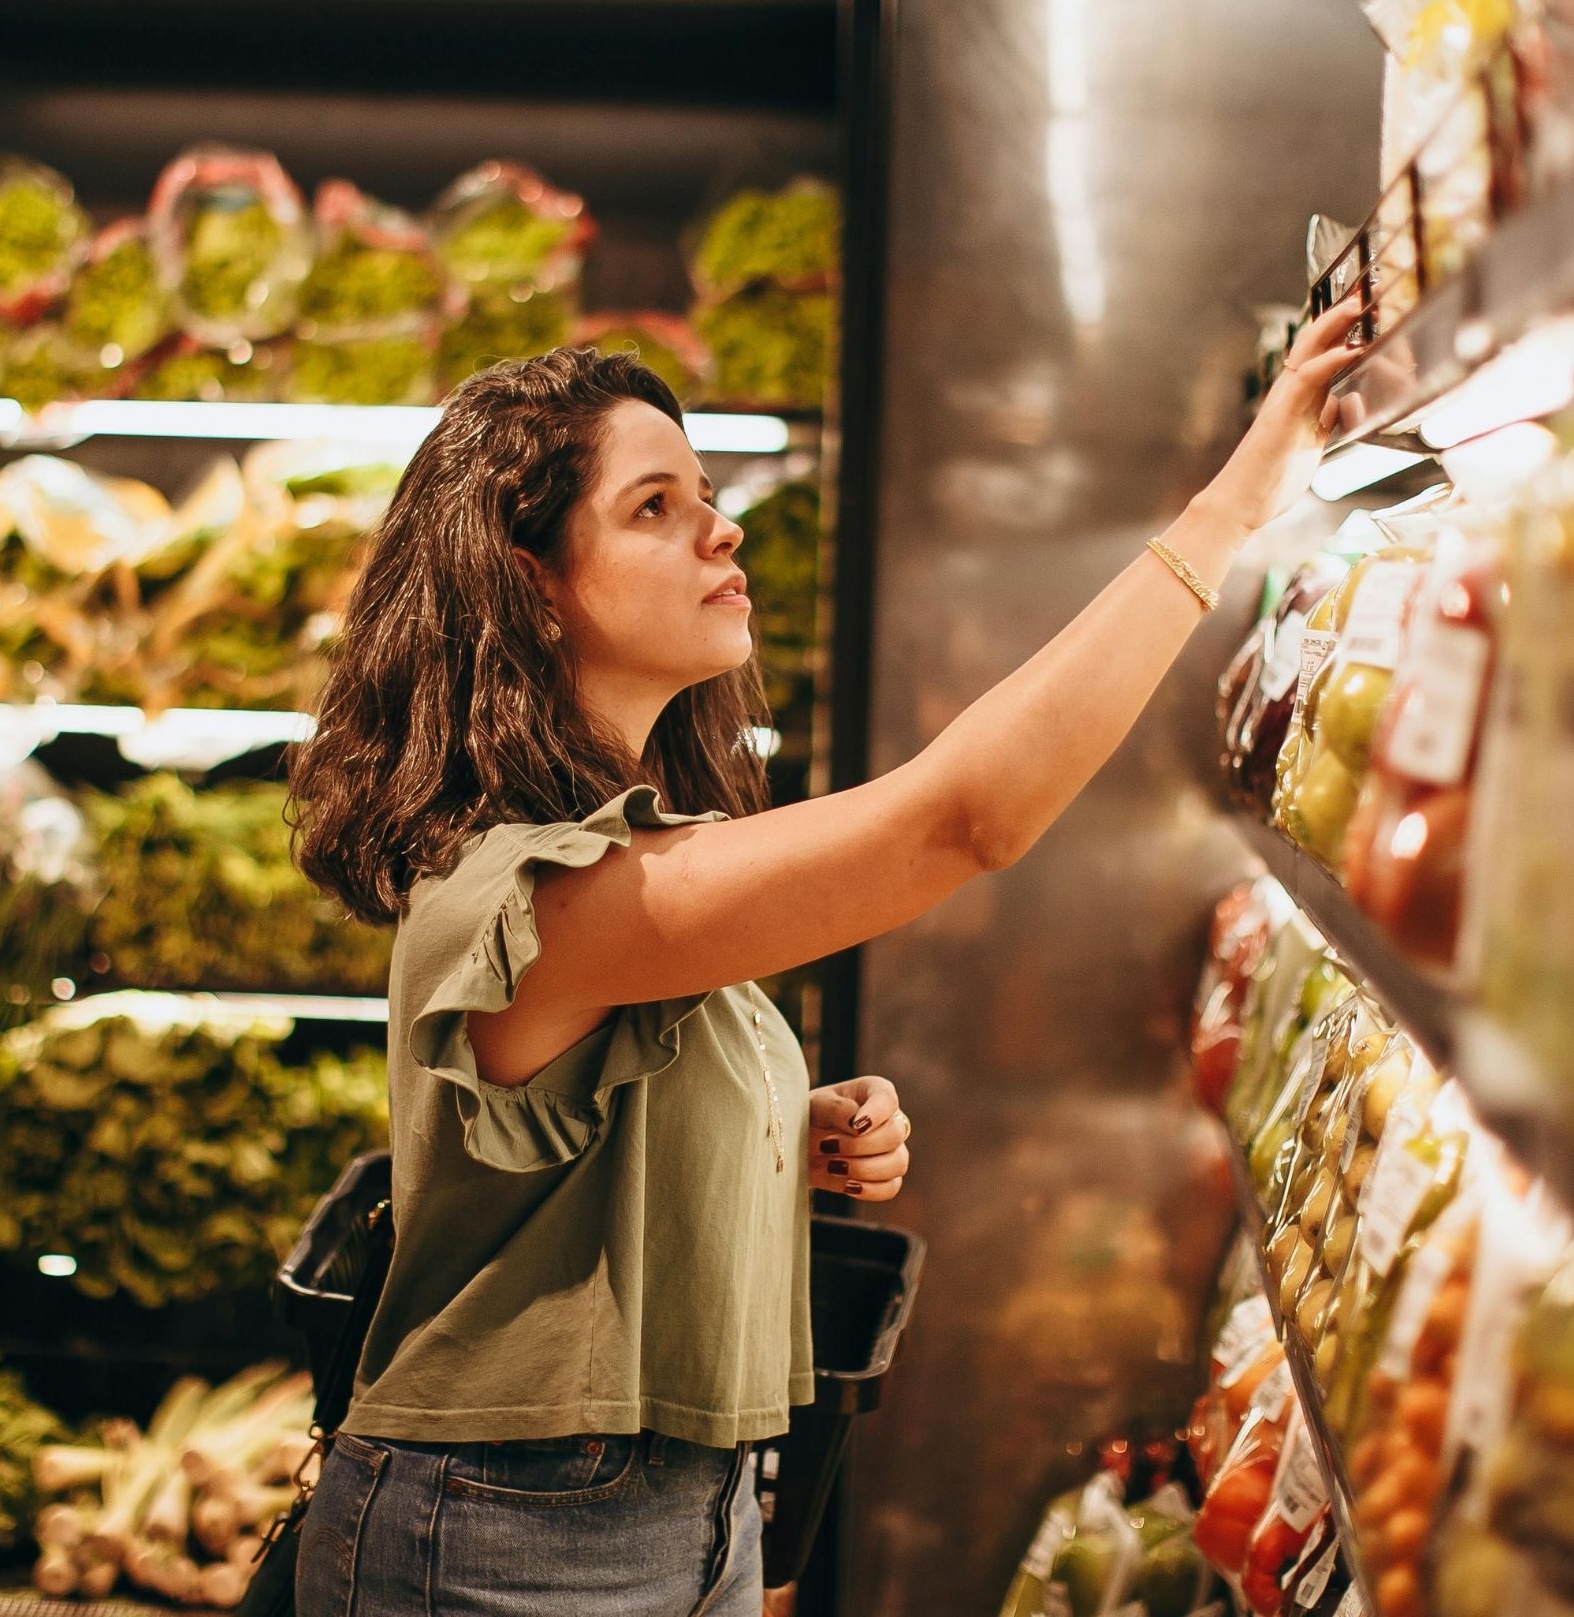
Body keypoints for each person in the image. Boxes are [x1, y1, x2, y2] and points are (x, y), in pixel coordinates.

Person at [286, 297, 1361, 1617]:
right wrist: (1231, 503)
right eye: (654, 508)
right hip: (511, 1529)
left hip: (665, 1505)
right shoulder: (526, 886)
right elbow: (964, 818)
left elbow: (581, 1147)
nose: (720, 526)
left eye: (704, 495)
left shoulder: (621, 856)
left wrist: (786, 1128)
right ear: (532, 587)